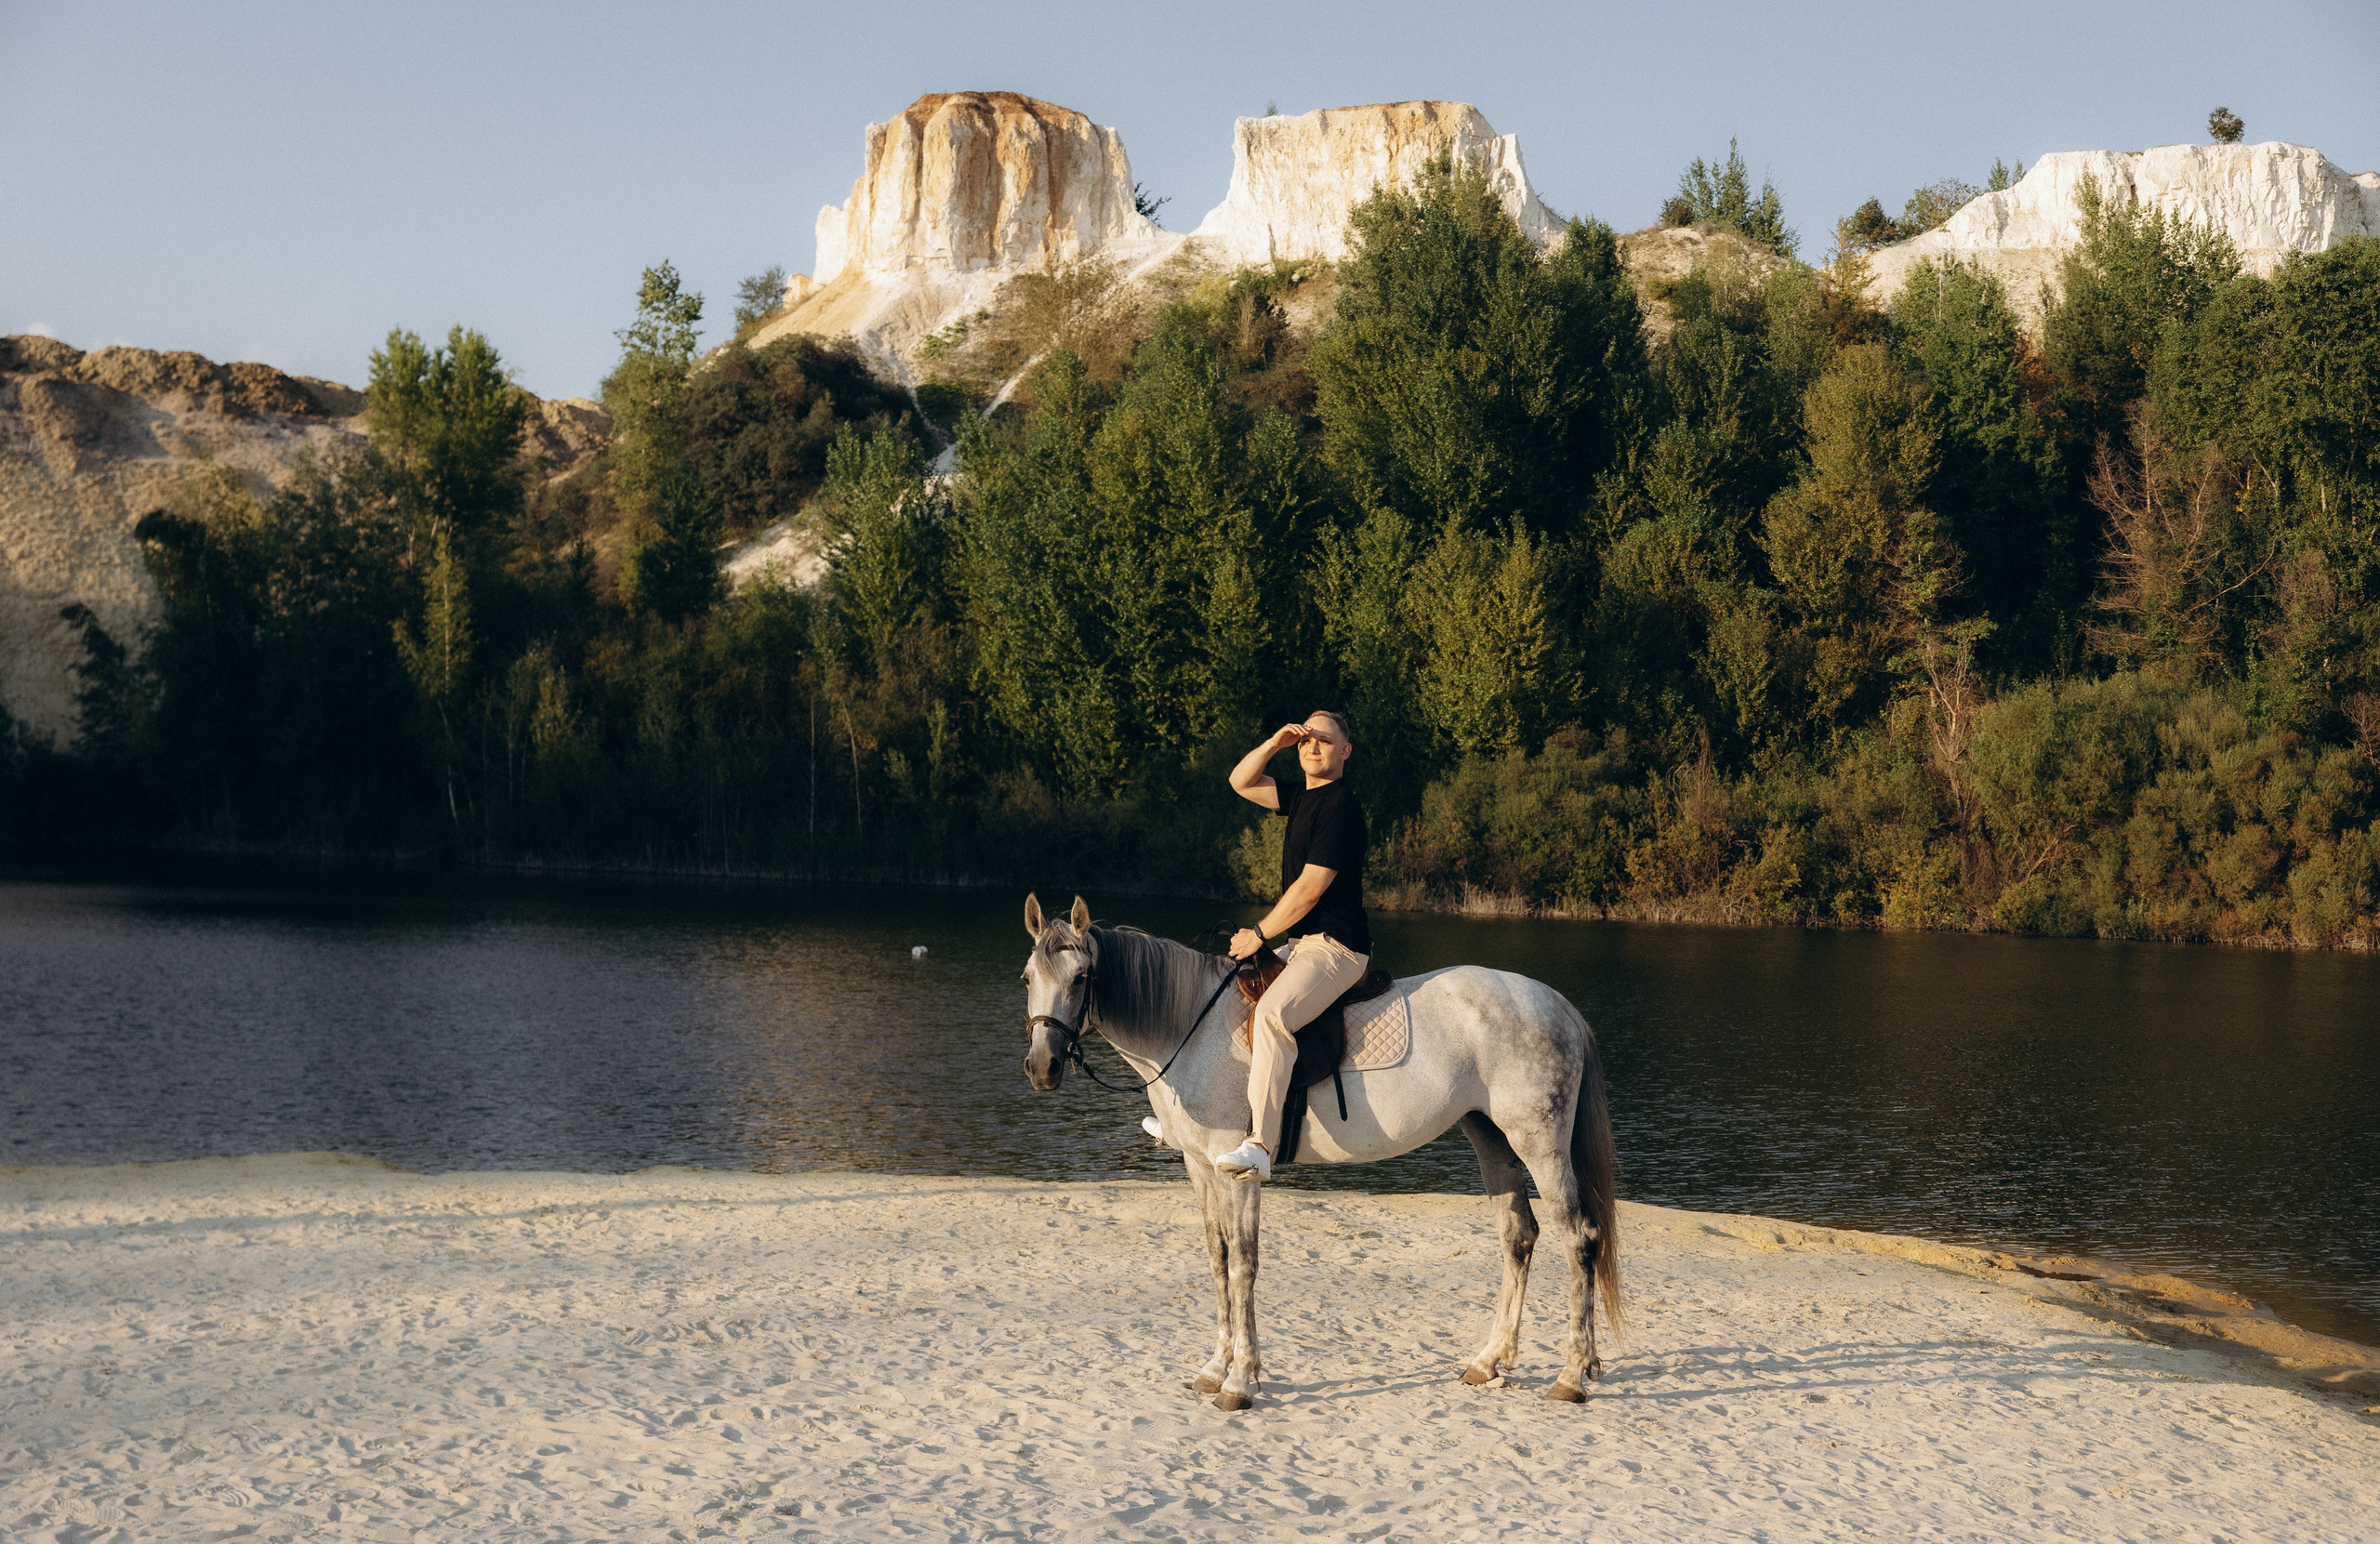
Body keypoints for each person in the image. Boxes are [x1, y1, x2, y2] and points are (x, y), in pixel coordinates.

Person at [1211, 710, 1374, 1181]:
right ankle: (1198, 1120)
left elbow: (1309, 890)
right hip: (1302, 946)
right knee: (1227, 998)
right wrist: (1275, 741)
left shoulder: (1341, 807)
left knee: (1272, 1015)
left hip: (1337, 948)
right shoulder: (1302, 794)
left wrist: (1260, 935)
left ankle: (1261, 1146)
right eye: (1306, 739)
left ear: (1345, 752)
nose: (1312, 746)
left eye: (1325, 740)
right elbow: (1240, 781)